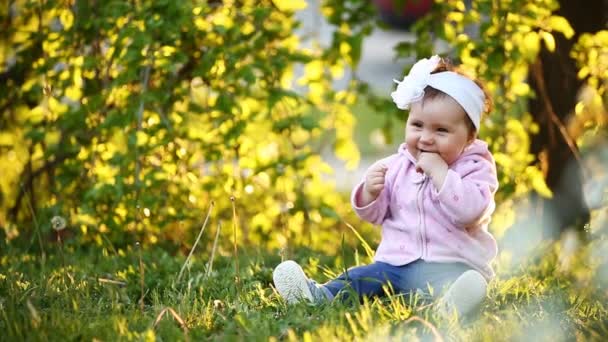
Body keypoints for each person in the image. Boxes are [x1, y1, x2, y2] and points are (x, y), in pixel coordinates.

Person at [273, 55, 498, 317]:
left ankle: (449, 306)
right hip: (396, 265)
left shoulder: (476, 167)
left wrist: (442, 174)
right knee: (361, 277)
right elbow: (375, 215)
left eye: (441, 131)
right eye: (417, 125)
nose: (425, 138)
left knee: (458, 283)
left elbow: (470, 211)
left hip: (452, 265)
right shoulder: (397, 166)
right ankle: (317, 295)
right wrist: (370, 192)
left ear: (469, 137)